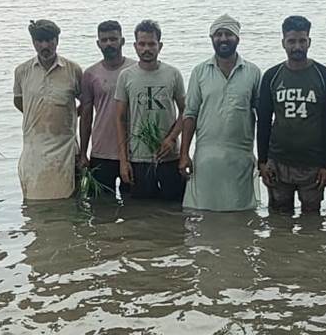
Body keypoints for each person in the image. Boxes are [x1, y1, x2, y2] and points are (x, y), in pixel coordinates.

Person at [256, 15, 326, 214]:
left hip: (313, 164)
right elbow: (264, 121)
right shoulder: (272, 76)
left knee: (312, 221)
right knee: (278, 220)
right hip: (278, 163)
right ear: (283, 42)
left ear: (309, 41)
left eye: (302, 41)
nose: (297, 47)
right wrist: (262, 162)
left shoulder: (324, 76)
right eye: (292, 41)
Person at [179, 14, 263, 212]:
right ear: (211, 38)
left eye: (228, 34)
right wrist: (184, 154)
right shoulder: (199, 72)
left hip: (240, 158)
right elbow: (190, 115)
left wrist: (264, 158)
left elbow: (262, 117)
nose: (223, 39)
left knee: (241, 215)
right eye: (218, 34)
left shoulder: (252, 72)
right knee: (202, 213)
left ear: (237, 38)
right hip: (206, 159)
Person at [115, 20, 187, 201]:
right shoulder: (126, 76)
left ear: (159, 46)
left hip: (169, 156)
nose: (146, 49)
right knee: (141, 210)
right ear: (135, 46)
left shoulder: (173, 74)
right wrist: (123, 161)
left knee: (174, 210)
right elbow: (120, 119)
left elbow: (186, 112)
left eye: (151, 44)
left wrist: (171, 139)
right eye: (142, 44)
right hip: (138, 158)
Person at [14, 19, 83, 201]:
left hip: (65, 149)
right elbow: (19, 101)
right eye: (39, 41)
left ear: (57, 40)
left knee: (70, 202)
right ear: (33, 42)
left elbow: (86, 103)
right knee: (33, 201)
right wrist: (41, 115)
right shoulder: (22, 71)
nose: (45, 46)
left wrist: (67, 117)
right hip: (33, 149)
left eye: (49, 40)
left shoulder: (73, 70)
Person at [79, 20, 137, 197]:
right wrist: (83, 153)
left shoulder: (135, 70)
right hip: (101, 150)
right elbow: (86, 116)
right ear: (98, 43)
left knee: (134, 205)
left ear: (122, 41)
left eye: (113, 39)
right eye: (104, 40)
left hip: (132, 150)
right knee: (100, 206)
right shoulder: (90, 74)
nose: (109, 44)